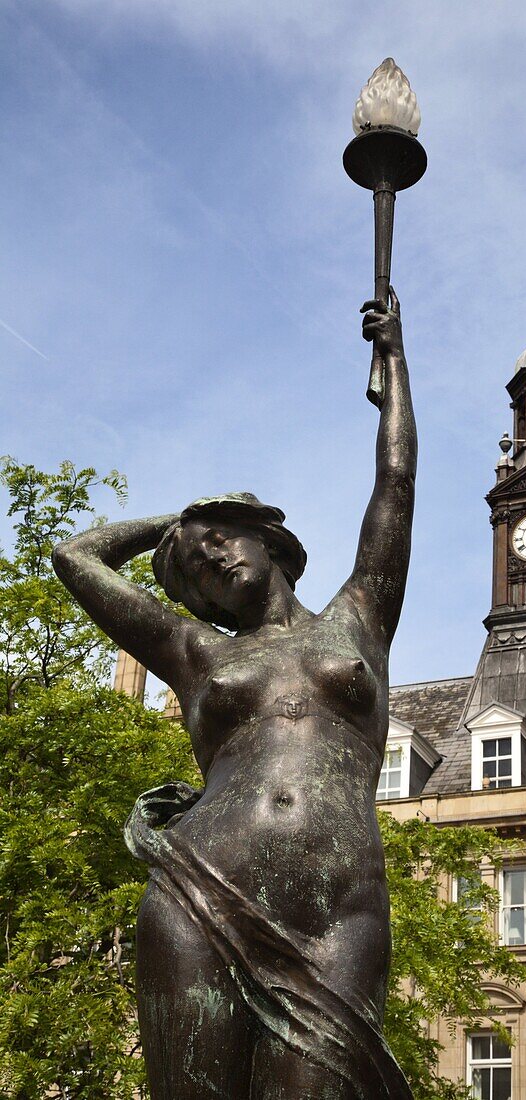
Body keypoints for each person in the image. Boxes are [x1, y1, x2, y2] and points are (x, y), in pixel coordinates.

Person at [52, 290, 416, 1100]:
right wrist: (171, 528)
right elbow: (76, 558)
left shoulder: (360, 614)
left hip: (337, 911)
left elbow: (394, 479)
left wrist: (393, 362)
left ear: (270, 539)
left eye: (218, 538)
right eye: (192, 570)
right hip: (199, 888)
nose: (208, 558)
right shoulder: (195, 653)